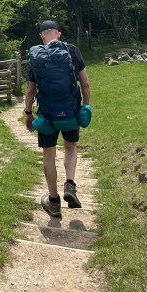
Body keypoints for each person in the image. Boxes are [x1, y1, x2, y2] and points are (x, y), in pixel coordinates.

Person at [23, 20, 91, 218]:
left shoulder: (37, 56)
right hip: (70, 112)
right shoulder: (72, 51)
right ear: (58, 34)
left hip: (47, 116)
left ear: (41, 37)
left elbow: (30, 90)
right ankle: (70, 184)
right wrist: (85, 107)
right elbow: (85, 85)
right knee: (70, 147)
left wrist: (28, 114)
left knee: (49, 155)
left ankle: (53, 202)